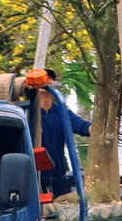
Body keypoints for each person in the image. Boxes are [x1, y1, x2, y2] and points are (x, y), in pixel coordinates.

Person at [36, 70, 90, 202]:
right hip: (33, 180)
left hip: (59, 179)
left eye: (50, 79)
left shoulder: (62, 111)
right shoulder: (28, 112)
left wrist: (103, 128)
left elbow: (83, 126)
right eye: (44, 80)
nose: (47, 83)